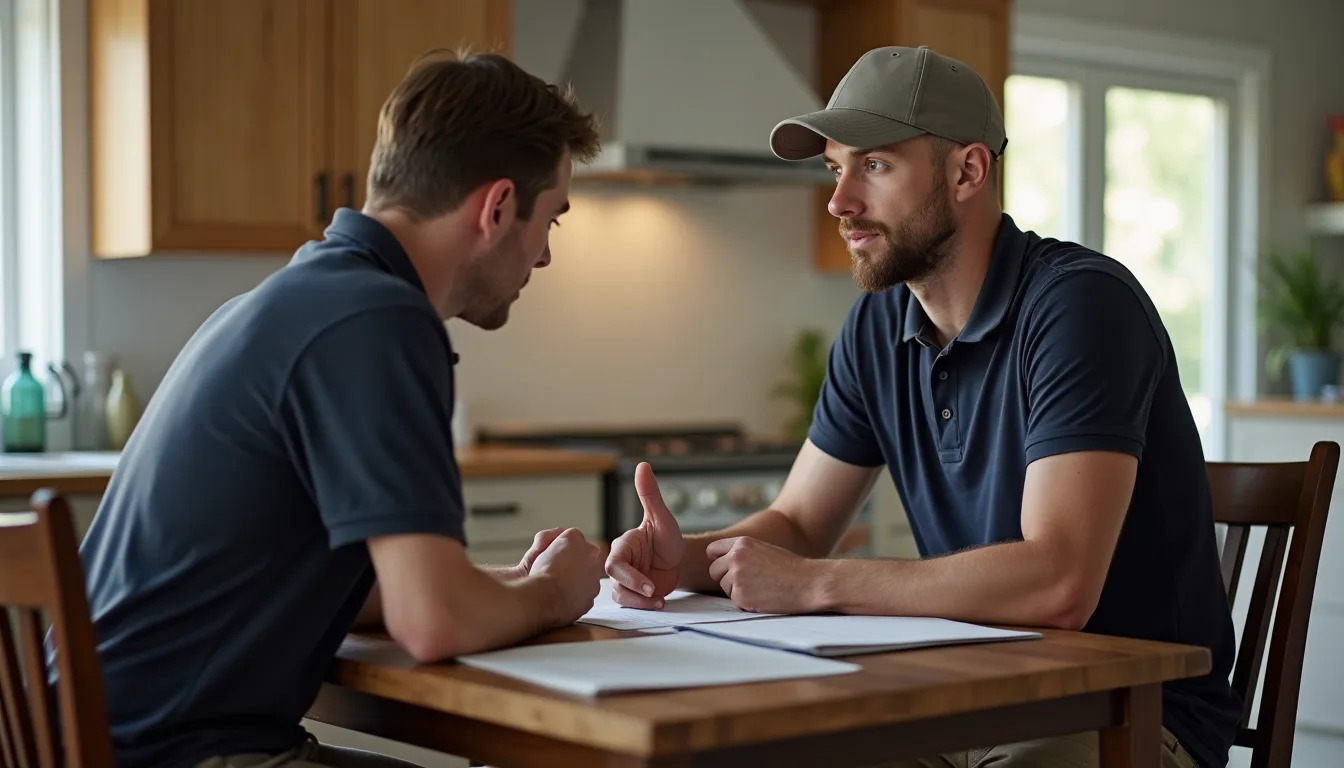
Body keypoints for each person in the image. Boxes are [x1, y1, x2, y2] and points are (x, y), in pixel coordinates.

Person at [606, 46, 1241, 768]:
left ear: (968, 170)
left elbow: (1060, 582)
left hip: (1128, 717)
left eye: (873, 166)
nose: (840, 201)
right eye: (834, 168)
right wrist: (682, 560)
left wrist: (816, 584)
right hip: (963, 698)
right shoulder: (878, 325)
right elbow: (799, 523)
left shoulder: (1080, 307)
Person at [64, 49, 606, 768]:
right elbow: (433, 624)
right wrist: (553, 595)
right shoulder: (379, 322)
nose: (542, 257)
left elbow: (338, 591)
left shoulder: (292, 300)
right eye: (553, 221)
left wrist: (497, 586)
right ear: (498, 206)